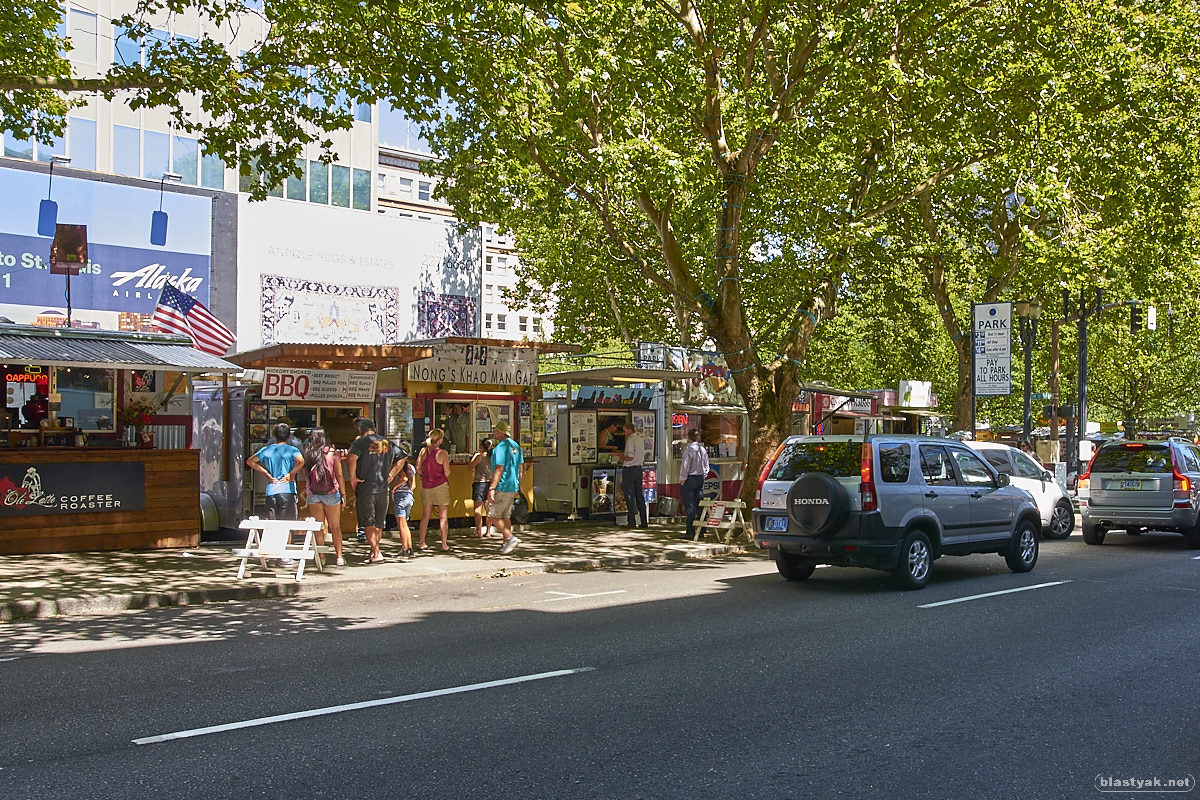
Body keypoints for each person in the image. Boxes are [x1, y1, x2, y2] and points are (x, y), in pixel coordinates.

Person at [347, 417, 402, 564]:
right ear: (375, 429)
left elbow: (351, 458)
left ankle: (376, 552)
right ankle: (374, 551)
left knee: (367, 521)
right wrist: (392, 474)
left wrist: (352, 477)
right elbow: (402, 457)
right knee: (378, 522)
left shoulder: (359, 442)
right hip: (383, 488)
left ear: (360, 430)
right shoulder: (386, 442)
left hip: (366, 486)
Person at [301, 428, 347, 567]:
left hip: (313, 494)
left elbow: (305, 474)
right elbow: (339, 475)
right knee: (335, 526)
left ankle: (321, 557)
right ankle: (339, 556)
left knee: (319, 527)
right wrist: (343, 494)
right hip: (331, 493)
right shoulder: (332, 453)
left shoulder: (307, 453)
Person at [247, 422, 305, 522]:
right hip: (287, 490)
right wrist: (291, 474)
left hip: (271, 490)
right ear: (288, 436)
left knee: (272, 523)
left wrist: (267, 474)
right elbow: (301, 461)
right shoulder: (292, 449)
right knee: (288, 525)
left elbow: (250, 461)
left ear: (274, 435)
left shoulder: (267, 449)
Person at [487, 420, 524, 554]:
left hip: (502, 485)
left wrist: (492, 488)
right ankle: (505, 543)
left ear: (500, 432)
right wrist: (519, 484)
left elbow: (499, 468)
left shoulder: (500, 448)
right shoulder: (515, 446)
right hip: (512, 485)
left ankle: (509, 538)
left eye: (495, 430)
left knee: (492, 514)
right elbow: (521, 467)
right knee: (505, 515)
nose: (493, 433)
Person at [416, 428, 453, 551]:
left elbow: (418, 468)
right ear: (440, 440)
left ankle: (422, 542)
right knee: (443, 517)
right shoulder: (442, 453)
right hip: (440, 485)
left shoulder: (423, 451)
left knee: (425, 516)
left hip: (427, 485)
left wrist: (424, 475)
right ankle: (444, 544)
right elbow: (447, 472)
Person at [678, 428, 710, 540]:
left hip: (690, 479)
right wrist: (703, 475)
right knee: (699, 505)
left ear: (688, 438)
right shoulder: (703, 450)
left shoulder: (688, 451)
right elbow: (707, 465)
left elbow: (685, 467)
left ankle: (690, 531)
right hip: (700, 478)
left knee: (690, 506)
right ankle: (702, 529)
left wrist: (682, 479)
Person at [620, 420, 649, 529]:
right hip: (638, 469)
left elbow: (630, 457)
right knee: (639, 495)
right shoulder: (640, 439)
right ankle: (644, 521)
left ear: (629, 430)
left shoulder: (630, 440)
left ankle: (631, 521)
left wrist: (621, 457)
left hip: (629, 469)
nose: (624, 433)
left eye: (624, 431)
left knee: (629, 496)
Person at [388, 451, 415, 558]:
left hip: (400, 497)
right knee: (405, 524)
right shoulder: (411, 468)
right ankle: (410, 547)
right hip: (409, 496)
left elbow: (404, 478)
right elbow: (413, 485)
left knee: (401, 525)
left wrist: (395, 487)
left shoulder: (399, 468)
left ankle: (404, 549)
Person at [470, 437, 495, 538]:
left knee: (477, 508)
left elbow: (470, 467)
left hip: (480, 483)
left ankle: (479, 531)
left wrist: (474, 457)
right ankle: (488, 531)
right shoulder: (492, 457)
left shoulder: (479, 456)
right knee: (488, 508)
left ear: (481, 446)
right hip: (490, 483)